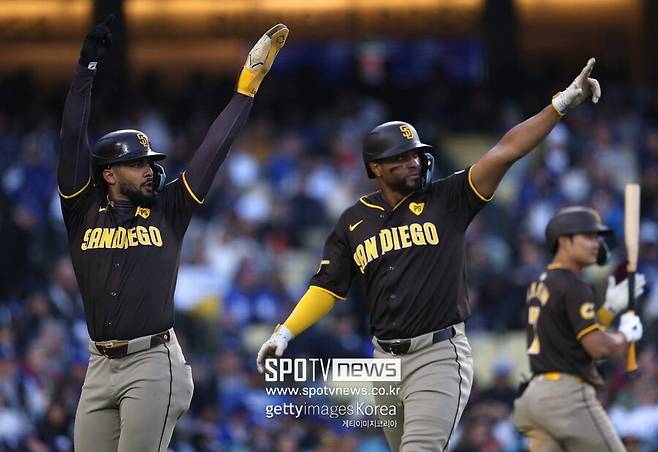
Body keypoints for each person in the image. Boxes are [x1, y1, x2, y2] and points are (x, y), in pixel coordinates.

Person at [257, 58, 603, 451]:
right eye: (401, 157)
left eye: (416, 154)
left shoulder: (448, 199)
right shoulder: (354, 220)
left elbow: (505, 151)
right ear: (375, 167)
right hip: (383, 362)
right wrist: (284, 332)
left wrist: (559, 105)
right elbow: (328, 287)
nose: (414, 162)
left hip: (438, 354)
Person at [57, 15, 288, 452]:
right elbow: (71, 137)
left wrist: (246, 88)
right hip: (98, 363)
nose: (150, 170)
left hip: (152, 362)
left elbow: (212, 151)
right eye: (138, 164)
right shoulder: (81, 209)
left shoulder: (170, 208)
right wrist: (85, 71)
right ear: (108, 174)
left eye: (150, 162)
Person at [512, 207, 645, 451]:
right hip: (565, 396)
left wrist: (608, 311)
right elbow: (597, 347)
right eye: (588, 236)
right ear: (564, 241)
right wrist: (625, 335)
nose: (596, 244)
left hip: (535, 397)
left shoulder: (540, 282)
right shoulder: (574, 286)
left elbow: (571, 341)